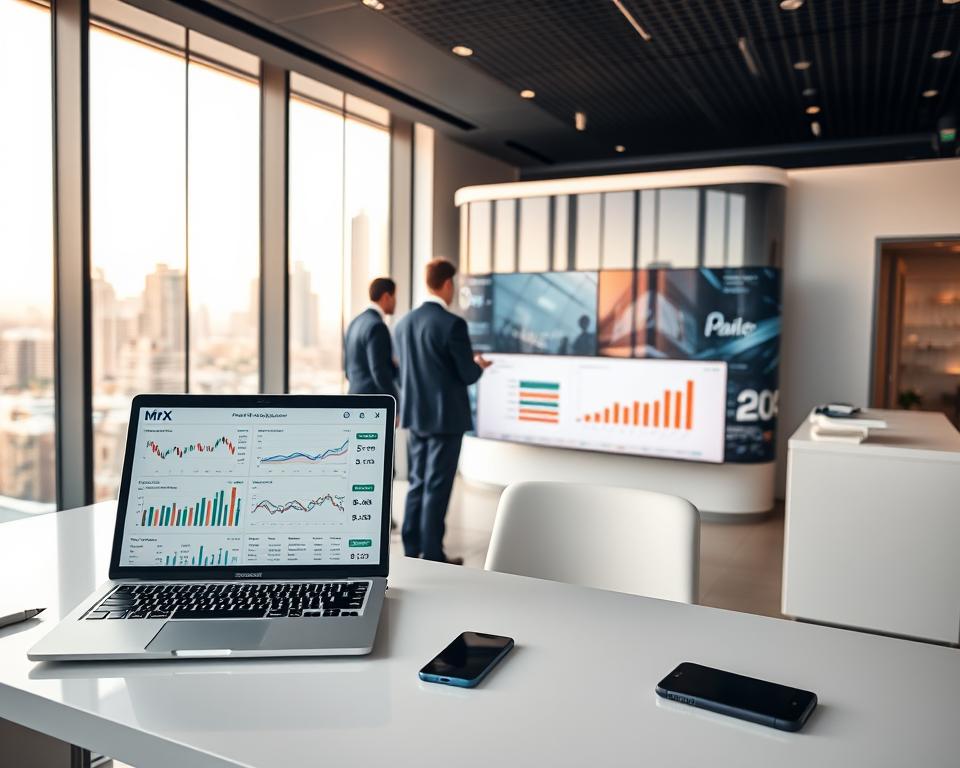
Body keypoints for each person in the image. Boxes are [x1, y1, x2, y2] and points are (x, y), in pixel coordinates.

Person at [394, 258, 492, 563]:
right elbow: (466, 374)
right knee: (437, 486)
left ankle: (411, 549)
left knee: (418, 482)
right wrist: (478, 365)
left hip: (415, 415)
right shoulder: (453, 325)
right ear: (447, 284)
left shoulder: (403, 324)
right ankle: (433, 554)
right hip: (445, 419)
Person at [343, 277, 398, 402]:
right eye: (394, 297)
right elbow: (379, 372)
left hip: (352, 397)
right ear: (386, 297)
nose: (395, 301)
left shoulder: (354, 323)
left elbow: (347, 370)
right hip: (372, 404)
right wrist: (395, 402)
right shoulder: (377, 326)